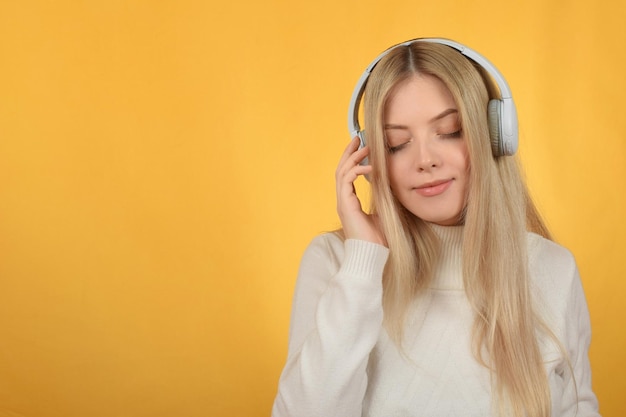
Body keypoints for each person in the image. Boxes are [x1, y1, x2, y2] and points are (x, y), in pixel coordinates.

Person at [272, 38, 600, 417]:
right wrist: (363, 263)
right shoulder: (335, 263)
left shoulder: (553, 269)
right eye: (397, 143)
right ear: (371, 158)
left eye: (450, 130)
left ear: (494, 136)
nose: (425, 159)